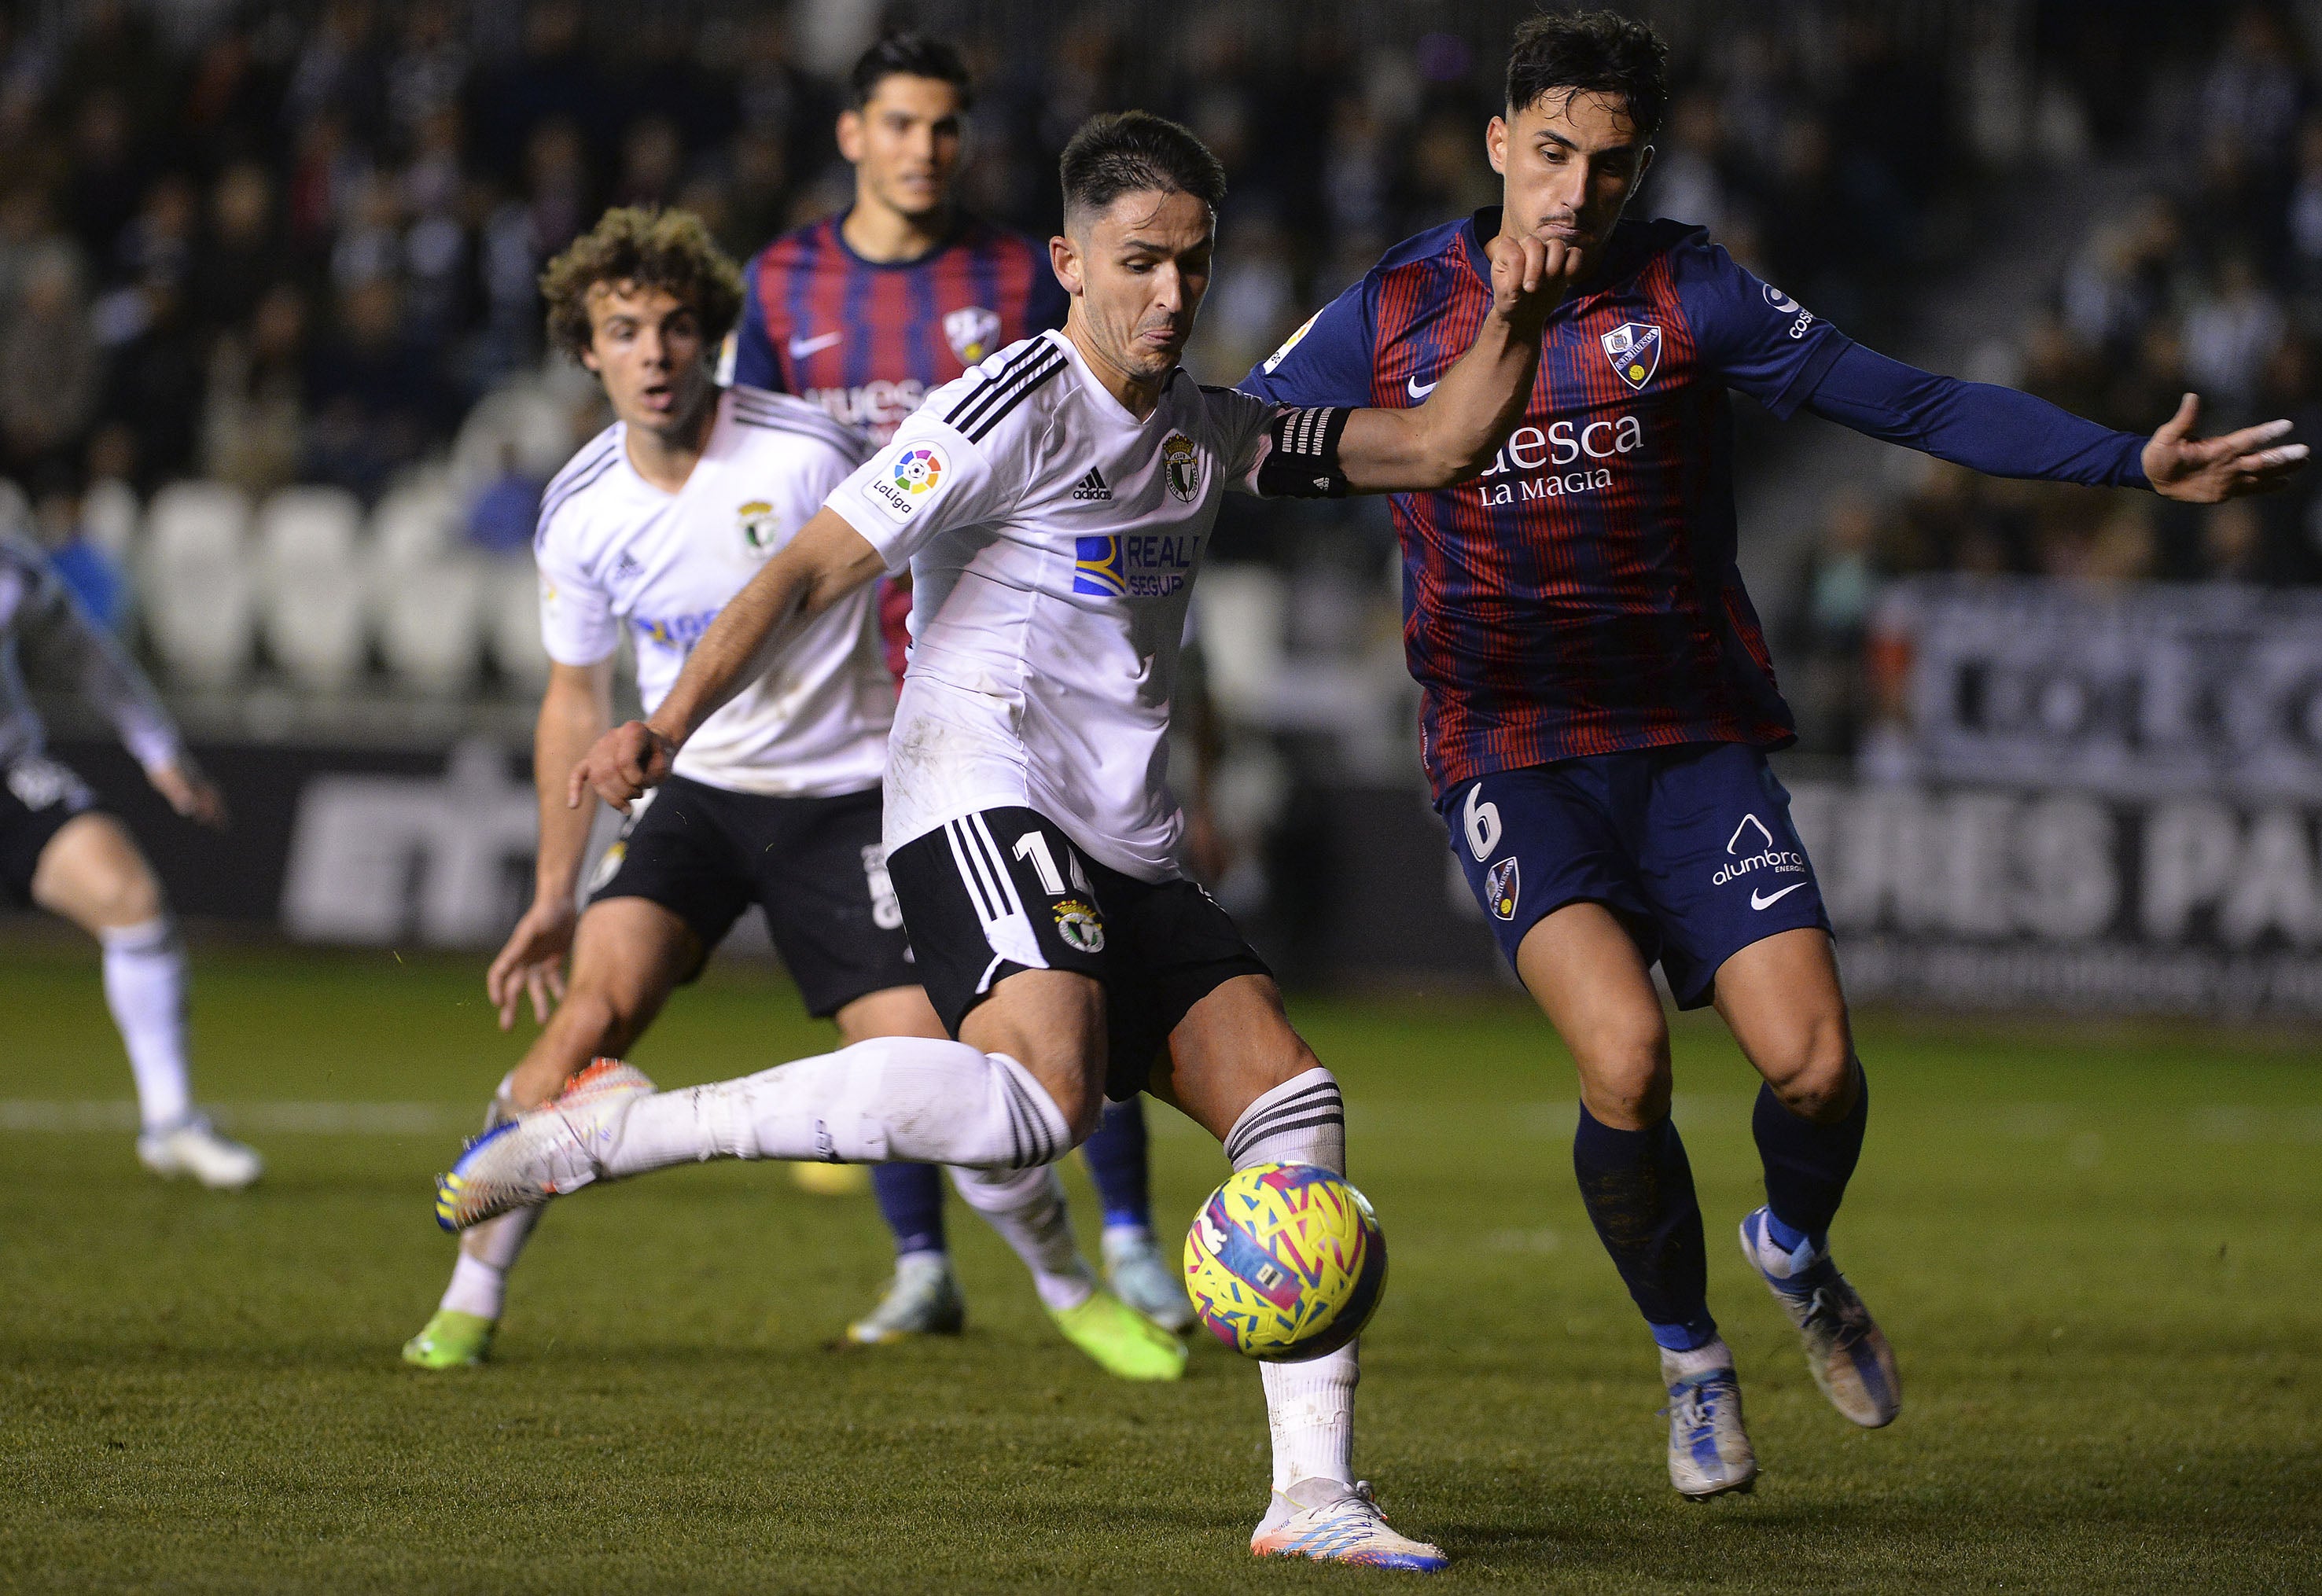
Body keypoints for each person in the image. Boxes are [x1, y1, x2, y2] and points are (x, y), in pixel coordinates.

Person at [435, 110, 1574, 1570]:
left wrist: (1521, 312)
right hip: (978, 789)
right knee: (1043, 1095)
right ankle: (624, 1129)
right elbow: (805, 568)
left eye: (1193, 266)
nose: (1170, 295)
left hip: (1123, 835)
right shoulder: (1003, 407)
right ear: (1067, 263)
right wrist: (665, 726)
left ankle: (1309, 1496)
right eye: (1138, 263)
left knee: (1291, 1111)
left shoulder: (1204, 426)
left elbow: (1434, 439)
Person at [1238, 9, 2306, 1501]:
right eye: (1549, 154)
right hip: (1508, 748)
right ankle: (1688, 1358)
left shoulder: (1690, 291)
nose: (1575, 190)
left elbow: (1911, 400)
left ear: (1641, 170)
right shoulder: (1398, 303)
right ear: (1496, 146)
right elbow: (1233, 437)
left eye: (1607, 165)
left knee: (1810, 1067)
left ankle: (1792, 1256)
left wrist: (2121, 460)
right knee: (1621, 1061)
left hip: (1688, 740)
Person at [402, 207, 1182, 1385]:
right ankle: (470, 1297)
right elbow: (575, 701)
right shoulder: (578, 508)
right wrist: (554, 889)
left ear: (710, 338)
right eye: (624, 331)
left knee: (946, 1073)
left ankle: (1067, 1287)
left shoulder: (807, 449)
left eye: (674, 327)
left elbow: (917, 577)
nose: (654, 353)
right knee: (584, 1027)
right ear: (586, 351)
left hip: (845, 794)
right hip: (700, 794)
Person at [729, 31, 1187, 1346]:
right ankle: (923, 1259)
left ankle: (1131, 1246)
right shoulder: (782, 279)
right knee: (901, 980)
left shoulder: (1013, 271)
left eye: (945, 127)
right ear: (852, 134)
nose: (924, 149)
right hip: (852, 676)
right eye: (901, 124)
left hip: (1007, 670)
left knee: (1075, 953)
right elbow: (756, 478)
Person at [0, 523, 258, 1188]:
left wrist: (158, 749)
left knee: (130, 900)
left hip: (9, 778)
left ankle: (171, 1122)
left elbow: (86, 654)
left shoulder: (11, 571)